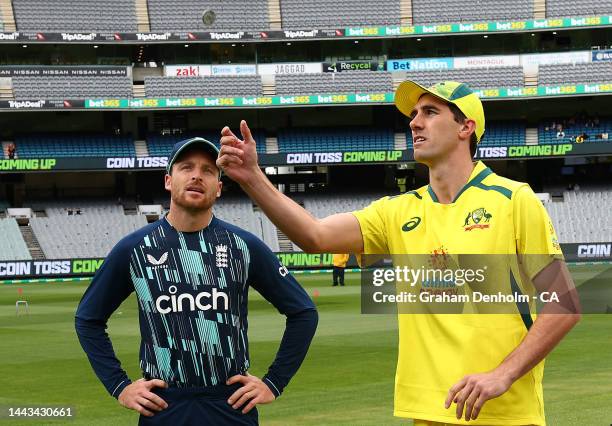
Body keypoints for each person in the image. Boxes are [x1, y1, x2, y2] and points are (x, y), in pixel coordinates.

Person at [216, 81, 581, 425]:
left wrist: (502, 375)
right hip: (426, 408)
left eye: (430, 112)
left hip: (504, 412)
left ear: (465, 127)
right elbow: (315, 235)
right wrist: (252, 178)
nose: (414, 122)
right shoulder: (398, 211)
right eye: (413, 115)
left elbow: (564, 305)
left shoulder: (513, 200)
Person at [75, 137, 318, 425]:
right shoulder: (135, 248)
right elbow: (88, 318)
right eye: (186, 167)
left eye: (208, 170)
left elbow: (303, 312)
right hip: (164, 406)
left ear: (218, 188)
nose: (196, 176)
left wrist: (273, 382)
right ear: (168, 180)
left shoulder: (243, 245)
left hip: (229, 406)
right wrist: (119, 386)